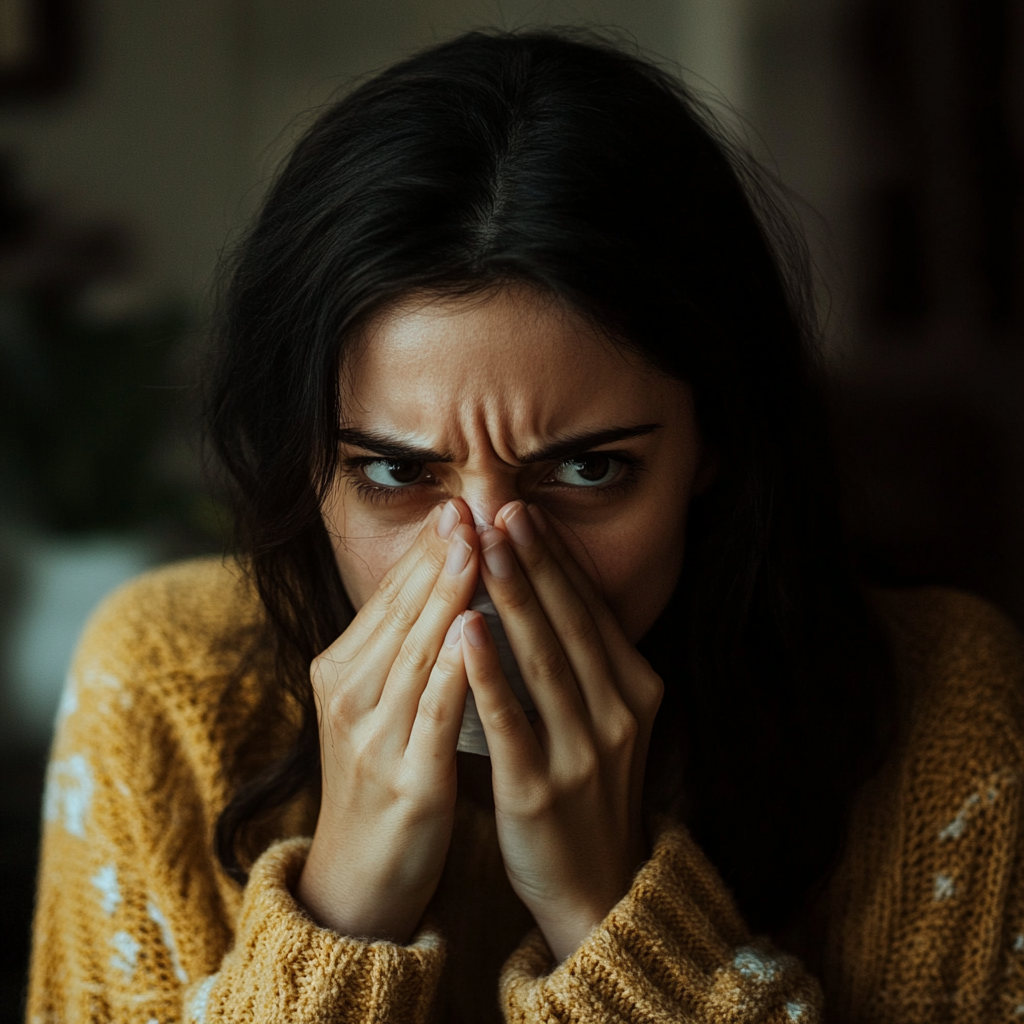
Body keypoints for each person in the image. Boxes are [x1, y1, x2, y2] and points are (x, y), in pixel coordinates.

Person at [27, 28, 1024, 1024]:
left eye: (589, 470)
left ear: (711, 447)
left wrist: (607, 915)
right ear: (307, 465)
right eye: (396, 472)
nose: (481, 566)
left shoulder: (939, 712)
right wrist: (342, 915)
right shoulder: (167, 690)